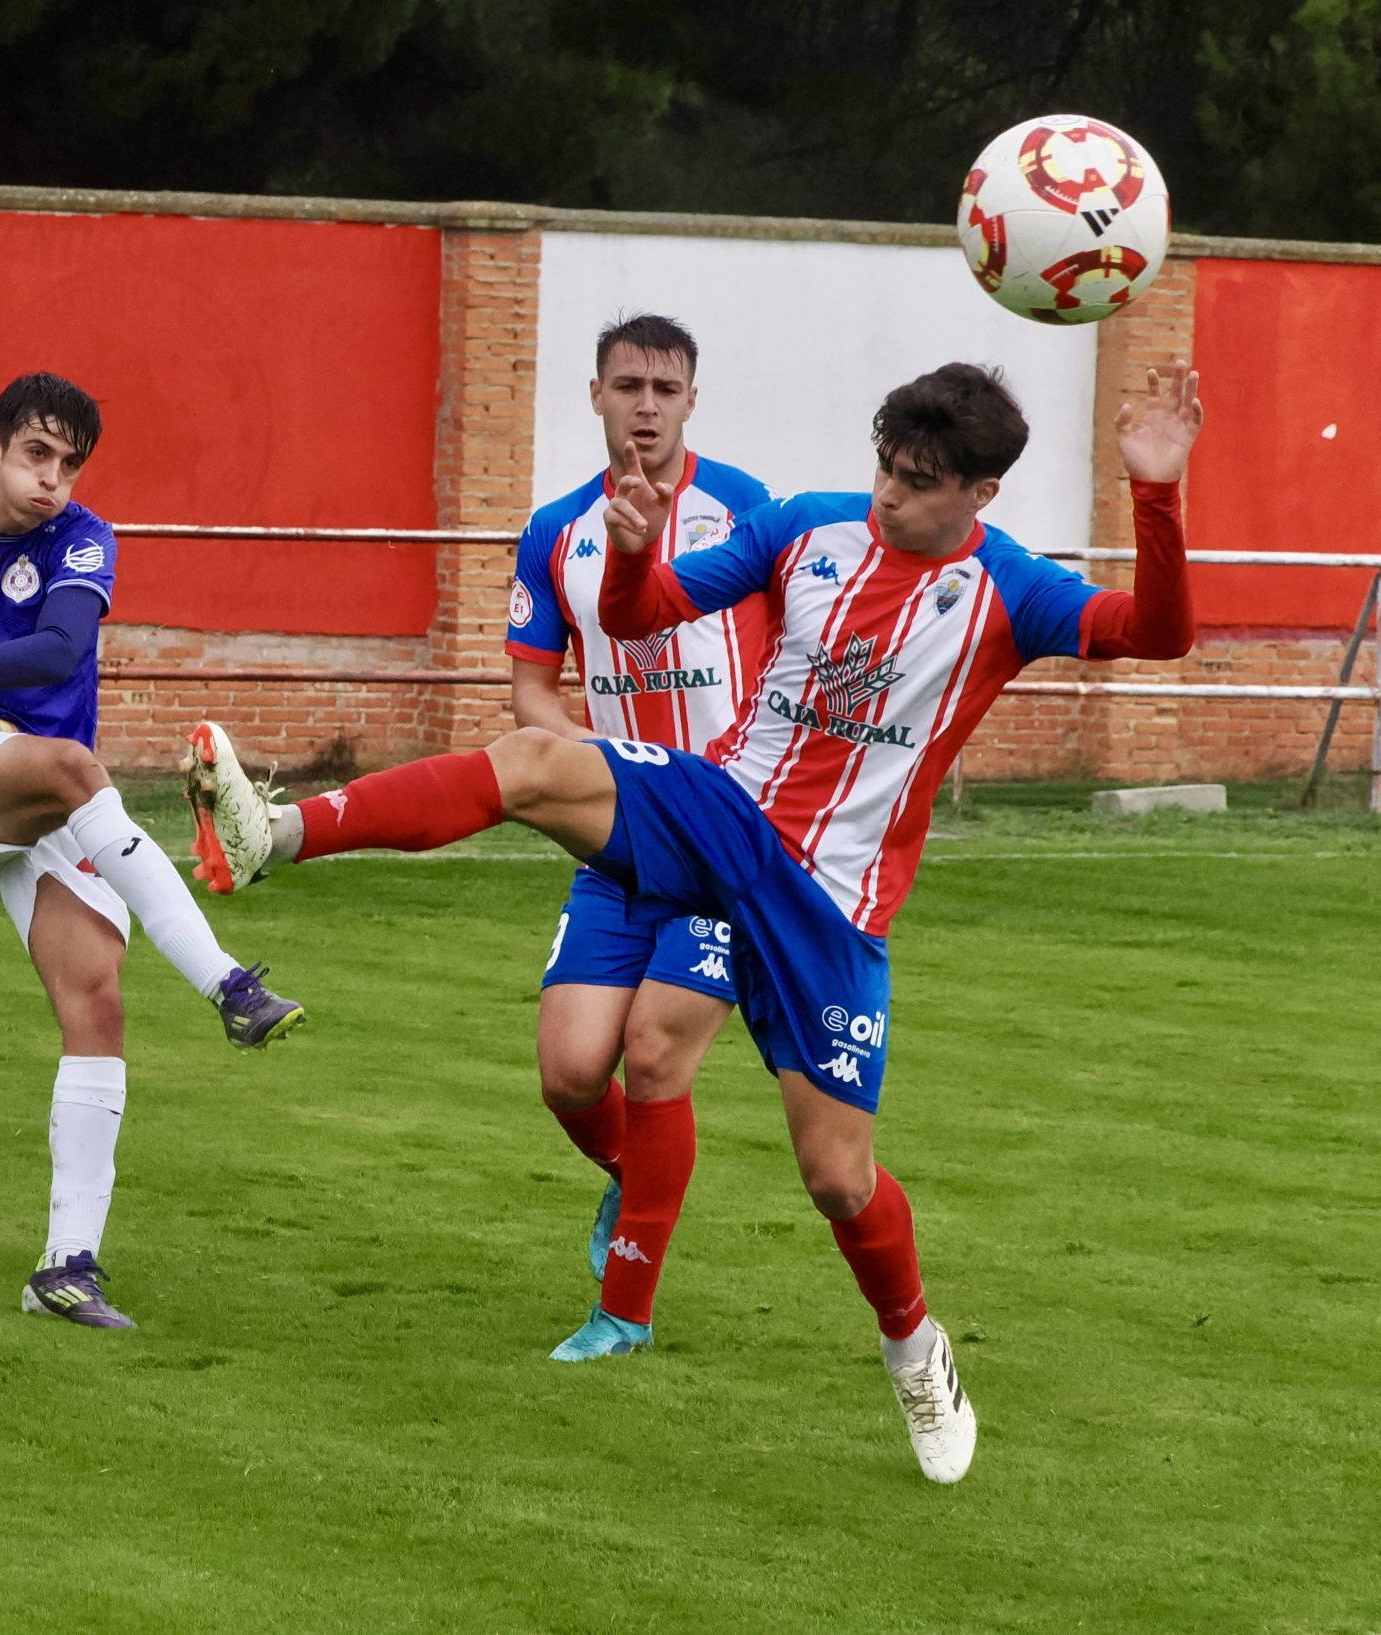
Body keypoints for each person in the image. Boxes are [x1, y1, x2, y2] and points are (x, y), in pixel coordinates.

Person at [183, 360, 1202, 1483]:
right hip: (721, 809)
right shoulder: (807, 529)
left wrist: (1155, 493)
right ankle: (274, 833)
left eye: (917, 484)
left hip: (829, 904)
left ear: (979, 495)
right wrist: (630, 551)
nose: (889, 496)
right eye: (885, 469)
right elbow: (644, 615)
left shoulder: (1014, 590)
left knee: (837, 1179)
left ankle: (915, 1348)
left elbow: (1156, 634)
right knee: (533, 764)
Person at [0, 371, 305, 1333]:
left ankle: (65, 1267)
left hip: (39, 808)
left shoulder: (83, 539)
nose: (52, 479)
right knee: (80, 766)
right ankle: (228, 987)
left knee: (97, 1004)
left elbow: (58, 647)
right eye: (35, 454)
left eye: (69, 462)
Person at [505, 313, 773, 1360]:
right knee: (572, 1074)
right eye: (629, 386)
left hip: (726, 842)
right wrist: (590, 767)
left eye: (666, 388)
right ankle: (639, 1179)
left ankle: (625, 1310)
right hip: (621, 839)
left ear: (692, 400)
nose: (647, 405)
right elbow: (531, 686)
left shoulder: (745, 510)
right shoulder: (555, 532)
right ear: (597, 396)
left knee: (655, 1055)